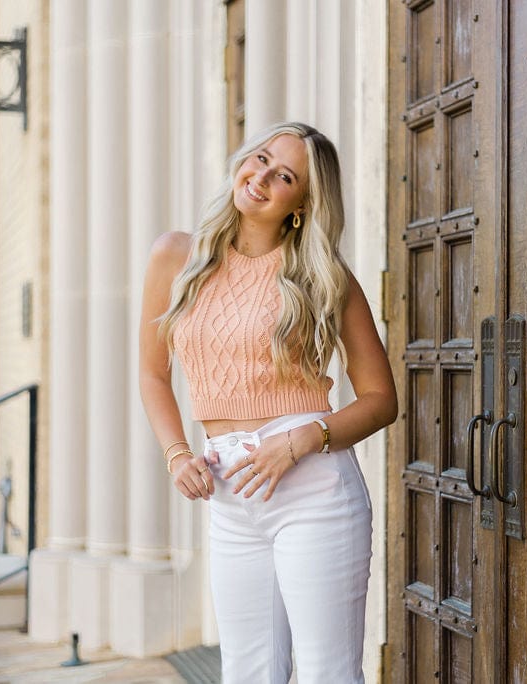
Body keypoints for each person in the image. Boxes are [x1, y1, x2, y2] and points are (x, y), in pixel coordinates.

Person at [139, 121, 397, 683]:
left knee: (328, 675)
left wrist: (303, 439)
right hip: (231, 492)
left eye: (284, 176)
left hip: (314, 490)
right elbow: (153, 374)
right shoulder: (176, 257)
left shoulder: (327, 279)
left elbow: (381, 400)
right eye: (259, 159)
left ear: (302, 204)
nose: (260, 178)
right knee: (247, 674)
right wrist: (177, 454)